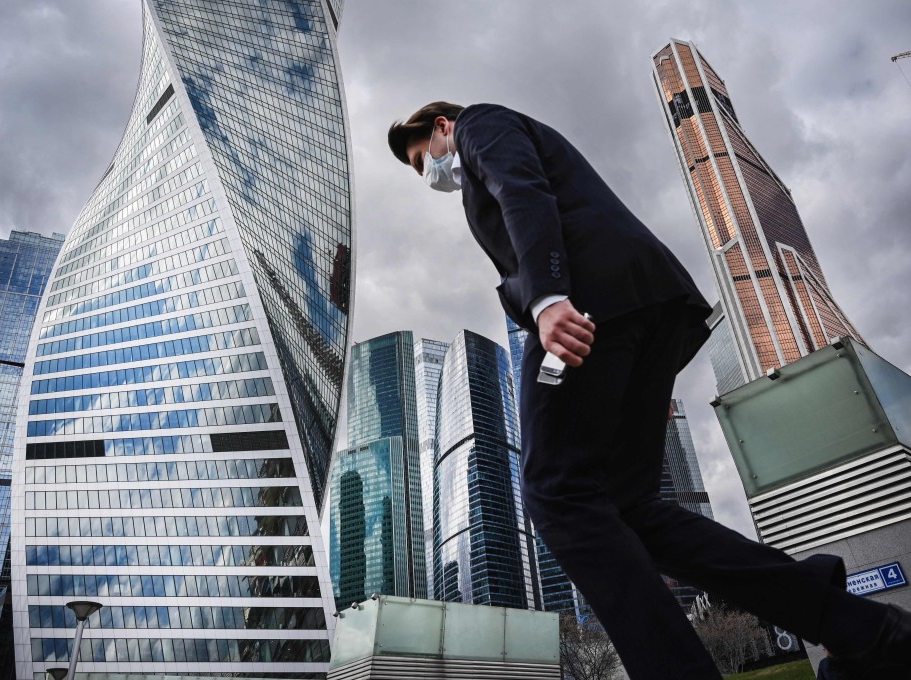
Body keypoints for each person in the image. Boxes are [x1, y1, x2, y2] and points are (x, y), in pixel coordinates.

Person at [387, 101, 911, 679]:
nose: (426, 173)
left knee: (555, 492)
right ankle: (855, 626)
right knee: (632, 510)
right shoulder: (487, 157)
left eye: (420, 159)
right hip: (643, 307)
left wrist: (546, 297)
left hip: (587, 299)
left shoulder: (480, 123)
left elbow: (522, 189)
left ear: (439, 126)